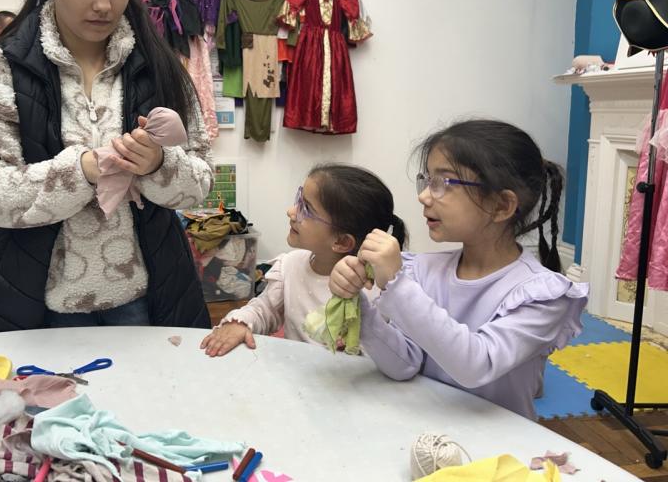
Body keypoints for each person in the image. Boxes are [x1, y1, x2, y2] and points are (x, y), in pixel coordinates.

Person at [0, 0, 213, 333]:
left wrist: (158, 165)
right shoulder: (5, 67)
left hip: (146, 297)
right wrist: (81, 171)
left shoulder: (159, 65)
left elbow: (200, 182)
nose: (103, 3)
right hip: (36, 303)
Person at [329, 120, 588, 420]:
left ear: (501, 205)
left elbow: (476, 365)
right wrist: (358, 306)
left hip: (496, 444)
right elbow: (404, 365)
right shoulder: (423, 270)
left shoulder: (541, 296)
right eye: (427, 180)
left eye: (443, 183)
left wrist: (397, 285)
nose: (423, 196)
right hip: (426, 431)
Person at [201, 164, 407, 356]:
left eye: (306, 209)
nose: (291, 212)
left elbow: (393, 355)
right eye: (298, 200)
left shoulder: (377, 290)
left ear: (342, 241)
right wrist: (240, 323)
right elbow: (263, 309)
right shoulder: (290, 265)